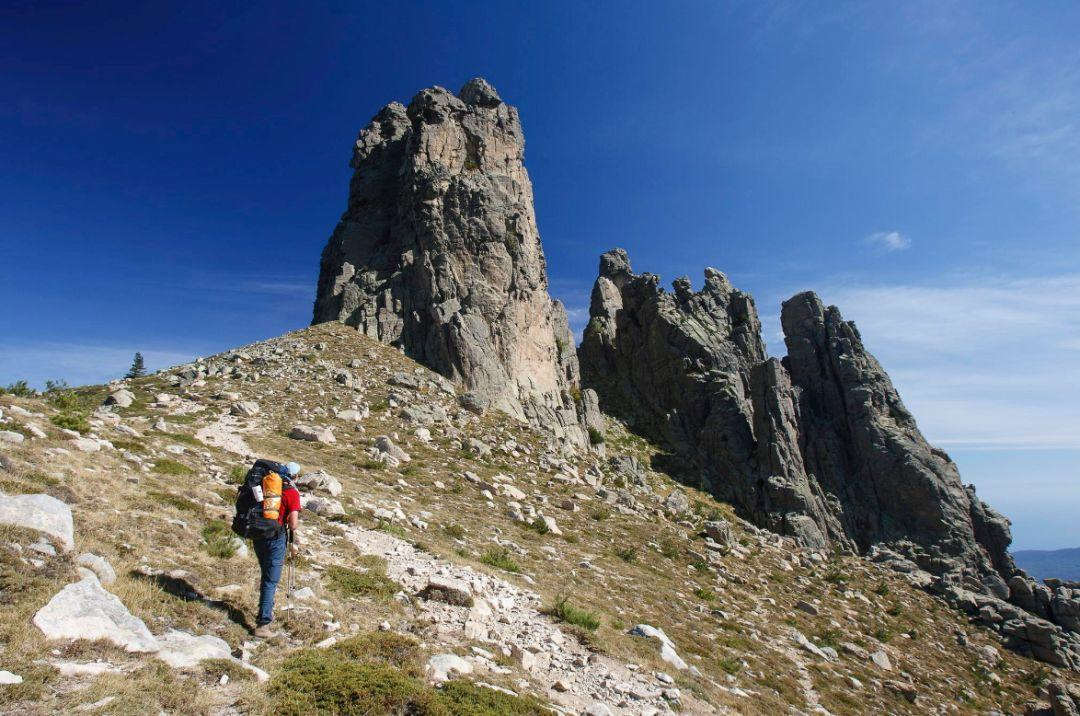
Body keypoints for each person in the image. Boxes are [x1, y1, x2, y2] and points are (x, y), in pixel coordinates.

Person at [252, 461, 302, 638]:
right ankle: (263, 624)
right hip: (276, 537)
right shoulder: (291, 493)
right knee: (270, 580)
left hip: (258, 535)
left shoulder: (266, 484)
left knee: (266, 573)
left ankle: (266, 608)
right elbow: (293, 523)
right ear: (295, 476)